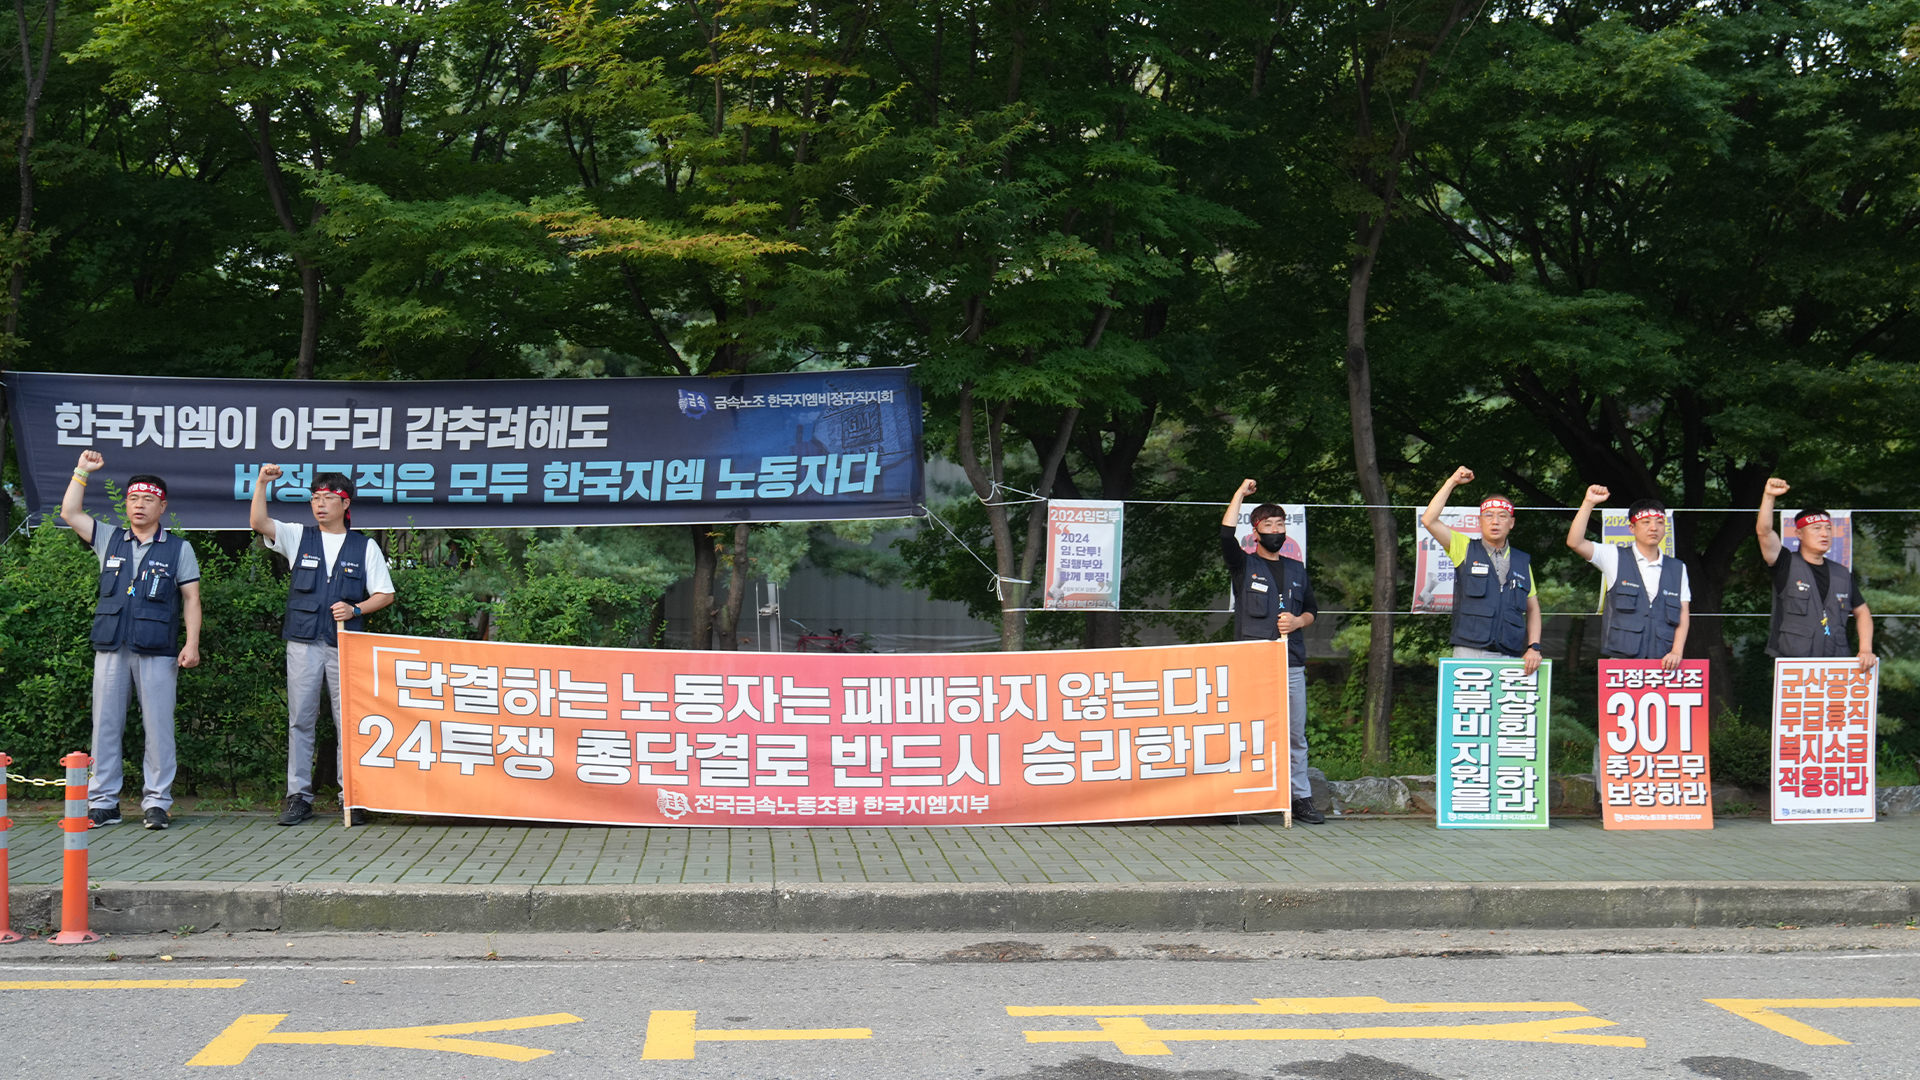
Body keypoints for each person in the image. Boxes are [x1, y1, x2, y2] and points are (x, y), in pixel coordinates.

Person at [60, 451, 201, 831]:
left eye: (148, 499)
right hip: (111, 647)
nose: (140, 505)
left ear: (162, 506)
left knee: (159, 729)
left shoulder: (179, 548)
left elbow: (191, 598)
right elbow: (70, 512)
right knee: (105, 726)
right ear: (126, 504)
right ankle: (103, 803)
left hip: (158, 649)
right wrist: (82, 471)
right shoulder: (109, 538)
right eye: (133, 498)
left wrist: (192, 643)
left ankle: (157, 803)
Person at [250, 465, 396, 825]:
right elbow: (258, 522)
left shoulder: (365, 546)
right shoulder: (298, 536)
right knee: (300, 719)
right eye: (315, 498)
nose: (319, 504)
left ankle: (353, 798)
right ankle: (298, 797)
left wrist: (356, 608)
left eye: (328, 498)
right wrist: (262, 483)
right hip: (303, 642)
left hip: (345, 643)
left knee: (349, 721)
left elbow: (385, 594)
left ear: (345, 504)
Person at [1221, 479, 1322, 824]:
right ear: (1256, 532)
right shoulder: (1243, 564)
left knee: (1295, 734)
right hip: (1252, 662)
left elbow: (1312, 610)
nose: (1276, 531)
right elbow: (1225, 535)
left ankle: (1301, 798)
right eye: (1268, 525)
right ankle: (1240, 799)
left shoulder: (1296, 569)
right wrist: (1239, 494)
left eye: (1280, 525)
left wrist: (1298, 622)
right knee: (1248, 730)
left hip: (1290, 662)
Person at [1421, 466, 1543, 675]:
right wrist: (1452, 481)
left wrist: (1534, 647)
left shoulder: (1522, 560)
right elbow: (1429, 520)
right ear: (1479, 521)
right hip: (1469, 651)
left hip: (1510, 653)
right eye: (1488, 515)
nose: (1495, 521)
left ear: (1511, 523)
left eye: (1502, 516)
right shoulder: (1465, 548)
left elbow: (1533, 609)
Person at [1564, 486, 1690, 669]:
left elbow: (1683, 612)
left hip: (1664, 662)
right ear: (1632, 528)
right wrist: (1589, 503)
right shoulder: (1614, 556)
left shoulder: (1678, 568)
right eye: (1645, 522)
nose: (1654, 528)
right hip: (1622, 661)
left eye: (1659, 522)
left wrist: (1677, 652)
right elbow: (1575, 542)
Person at [1755, 478, 1874, 670]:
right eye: (1816, 529)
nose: (1824, 534)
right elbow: (1764, 532)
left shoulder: (1842, 573)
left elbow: (1862, 612)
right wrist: (1769, 496)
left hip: (1836, 663)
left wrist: (1866, 649)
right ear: (1799, 534)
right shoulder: (1785, 563)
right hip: (1795, 664)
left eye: (1828, 529)